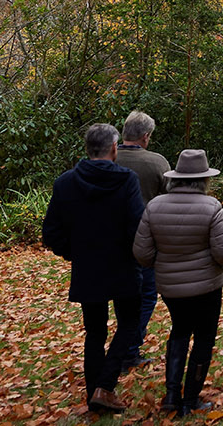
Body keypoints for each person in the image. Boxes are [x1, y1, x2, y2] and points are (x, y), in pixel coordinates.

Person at [41, 122, 144, 414]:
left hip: (88, 268)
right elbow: (138, 225)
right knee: (129, 324)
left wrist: (73, 253)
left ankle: (94, 396)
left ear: (88, 149)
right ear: (114, 148)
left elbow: (51, 232)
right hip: (123, 264)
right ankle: (104, 387)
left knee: (95, 333)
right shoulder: (127, 180)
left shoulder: (65, 183)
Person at [133, 149, 223, 417]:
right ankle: (190, 400)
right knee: (203, 337)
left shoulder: (154, 206)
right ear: (204, 179)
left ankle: (171, 394)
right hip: (207, 287)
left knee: (179, 331)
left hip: (170, 288)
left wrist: (163, 263)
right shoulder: (212, 208)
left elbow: (141, 252)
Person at [116, 109, 171, 368]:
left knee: (122, 294)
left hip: (111, 239)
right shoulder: (157, 163)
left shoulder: (108, 159)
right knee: (147, 294)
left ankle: (125, 342)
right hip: (145, 239)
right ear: (146, 136)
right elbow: (169, 200)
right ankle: (129, 347)